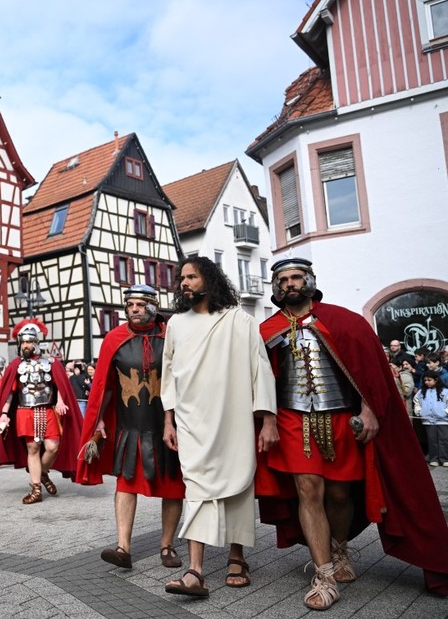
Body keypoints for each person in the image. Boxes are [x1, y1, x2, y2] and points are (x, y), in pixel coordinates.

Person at [257, 257, 448, 608]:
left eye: (296, 277)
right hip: (292, 419)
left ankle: (340, 548)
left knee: (340, 495)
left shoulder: (345, 322)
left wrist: (369, 409)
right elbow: (260, 381)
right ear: (275, 287)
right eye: (283, 279)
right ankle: (324, 574)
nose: (290, 284)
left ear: (310, 281)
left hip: (340, 419)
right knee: (307, 490)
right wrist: (267, 420)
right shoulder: (266, 331)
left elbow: (371, 374)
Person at [160, 256, 278, 598]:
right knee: (196, 487)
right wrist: (168, 419)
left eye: (192, 277)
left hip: (234, 416)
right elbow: (167, 375)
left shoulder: (239, 321)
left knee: (239, 484)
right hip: (190, 419)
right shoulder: (176, 325)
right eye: (181, 278)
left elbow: (261, 368)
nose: (184, 283)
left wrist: (268, 419)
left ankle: (237, 557)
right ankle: (195, 570)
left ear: (209, 281)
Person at [76, 285, 185, 571]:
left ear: (153, 306)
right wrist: (98, 418)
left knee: (173, 486)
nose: (134, 309)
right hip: (130, 426)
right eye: (130, 304)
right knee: (126, 484)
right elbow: (105, 386)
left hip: (167, 425)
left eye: (140, 304)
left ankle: (167, 544)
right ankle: (123, 547)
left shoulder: (171, 335)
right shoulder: (115, 339)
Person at [0, 318, 82, 504]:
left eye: (29, 341)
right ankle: (36, 489)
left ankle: (43, 472)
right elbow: (10, 392)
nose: (26, 345)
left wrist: (61, 401)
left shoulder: (51, 362)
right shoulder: (16, 365)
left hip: (47, 410)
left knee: (52, 447)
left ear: (36, 343)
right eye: (23, 342)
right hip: (25, 411)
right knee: (32, 448)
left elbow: (59, 386)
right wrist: (4, 414)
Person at [413, 370, 448, 467]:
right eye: (425, 380)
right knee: (431, 440)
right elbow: (416, 402)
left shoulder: (445, 391)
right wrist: (419, 412)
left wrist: (445, 413)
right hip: (428, 420)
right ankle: (434, 458)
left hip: (443, 420)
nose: (427, 382)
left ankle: (444, 458)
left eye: (429, 380)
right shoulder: (421, 392)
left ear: (436, 379)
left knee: (444, 439)